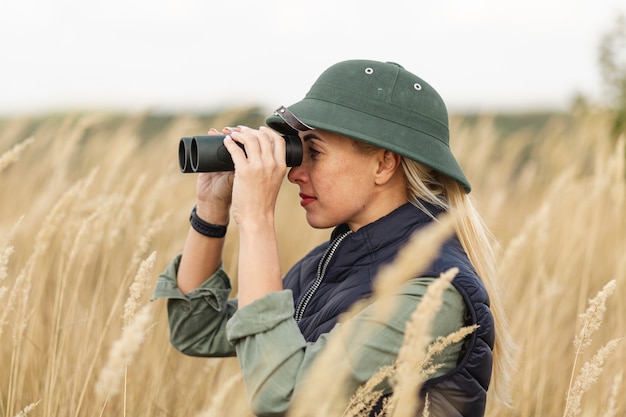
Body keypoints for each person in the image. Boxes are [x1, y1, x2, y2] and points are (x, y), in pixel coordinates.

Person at [153, 59, 514, 416]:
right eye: (296, 151)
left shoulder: (433, 294)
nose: (295, 174)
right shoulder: (331, 265)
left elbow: (284, 394)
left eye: (315, 152)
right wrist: (211, 208)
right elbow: (196, 329)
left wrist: (256, 218)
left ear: (384, 164)